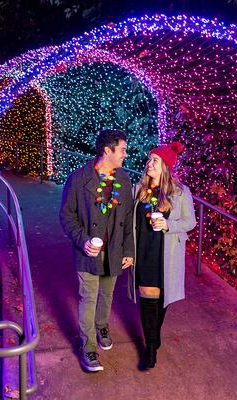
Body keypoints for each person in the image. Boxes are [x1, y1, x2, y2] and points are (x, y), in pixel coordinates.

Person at [60, 129, 135, 372]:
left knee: (107, 295)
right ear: (107, 150)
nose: (125, 154)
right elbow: (66, 215)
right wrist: (82, 240)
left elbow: (129, 218)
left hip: (114, 250)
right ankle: (88, 348)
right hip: (87, 253)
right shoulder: (78, 179)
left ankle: (102, 326)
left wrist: (129, 250)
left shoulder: (123, 180)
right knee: (89, 298)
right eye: (122, 149)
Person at [128, 141, 196, 369]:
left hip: (167, 253)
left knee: (162, 298)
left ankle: (153, 336)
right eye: (149, 160)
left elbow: (190, 222)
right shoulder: (138, 190)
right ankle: (150, 348)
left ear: (166, 166)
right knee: (148, 295)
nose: (149, 164)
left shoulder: (180, 192)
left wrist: (168, 225)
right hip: (144, 251)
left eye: (154, 160)